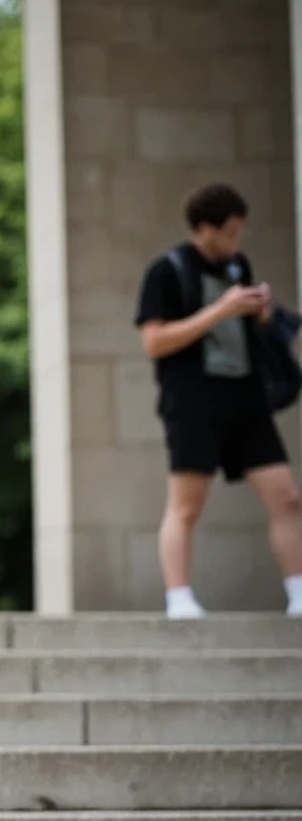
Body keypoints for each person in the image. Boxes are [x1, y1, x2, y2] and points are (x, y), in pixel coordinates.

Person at [134, 183, 302, 618]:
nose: (236, 241)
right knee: (186, 505)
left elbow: (246, 331)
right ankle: (179, 598)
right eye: (230, 232)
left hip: (246, 399)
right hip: (193, 403)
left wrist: (261, 312)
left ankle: (299, 592)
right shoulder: (167, 271)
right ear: (204, 229)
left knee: (286, 498)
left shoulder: (237, 266)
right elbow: (153, 341)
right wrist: (220, 311)